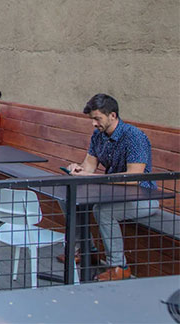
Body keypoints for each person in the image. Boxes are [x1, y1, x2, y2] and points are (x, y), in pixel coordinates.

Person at [64, 93, 158, 281]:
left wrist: (92, 176)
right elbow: (89, 165)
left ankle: (119, 266)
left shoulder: (134, 137)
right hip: (112, 193)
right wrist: (78, 169)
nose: (93, 123)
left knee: (103, 211)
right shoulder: (98, 135)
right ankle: (86, 250)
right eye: (92, 119)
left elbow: (134, 177)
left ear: (113, 116)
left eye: (97, 118)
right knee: (69, 200)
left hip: (144, 198)